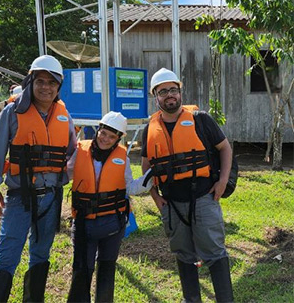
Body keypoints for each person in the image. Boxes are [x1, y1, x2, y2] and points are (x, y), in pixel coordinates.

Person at [0, 54, 77, 303]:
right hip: (19, 197)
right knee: (8, 254)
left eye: (51, 82)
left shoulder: (64, 116)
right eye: (40, 81)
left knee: (41, 254)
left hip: (51, 198)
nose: (45, 87)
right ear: (30, 81)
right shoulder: (12, 112)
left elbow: (72, 152)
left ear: (59, 86)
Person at [141, 68, 234, 303]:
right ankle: (191, 299)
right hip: (171, 203)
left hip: (204, 197)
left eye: (173, 90)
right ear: (156, 96)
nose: (169, 95)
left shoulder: (200, 119)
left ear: (180, 92)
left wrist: (222, 182)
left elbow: (225, 148)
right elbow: (146, 166)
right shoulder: (149, 130)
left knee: (214, 252)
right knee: (183, 253)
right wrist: (154, 196)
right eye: (163, 92)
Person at [67, 111, 152, 303]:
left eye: (112, 136)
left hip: (112, 224)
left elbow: (130, 187)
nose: (105, 139)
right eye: (103, 133)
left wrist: (151, 178)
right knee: (82, 269)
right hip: (83, 223)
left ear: (118, 139)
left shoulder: (123, 158)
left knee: (107, 268)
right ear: (98, 129)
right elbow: (64, 174)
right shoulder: (79, 151)